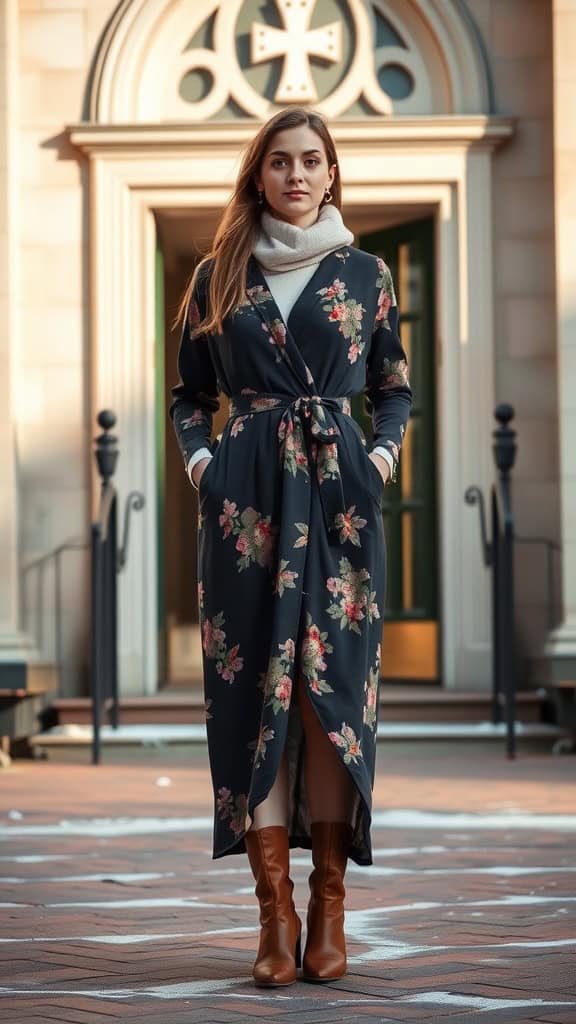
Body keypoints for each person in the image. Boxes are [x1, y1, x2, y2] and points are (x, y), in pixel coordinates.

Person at [170, 107, 412, 987]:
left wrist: (379, 456)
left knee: (329, 696)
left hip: (342, 503)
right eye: (280, 162)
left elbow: (393, 386)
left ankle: (330, 901)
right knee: (254, 698)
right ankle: (274, 915)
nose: (297, 175)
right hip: (247, 511)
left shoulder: (366, 274)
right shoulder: (217, 275)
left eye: (311, 161)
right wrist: (204, 464)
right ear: (259, 175)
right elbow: (188, 396)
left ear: (332, 172)